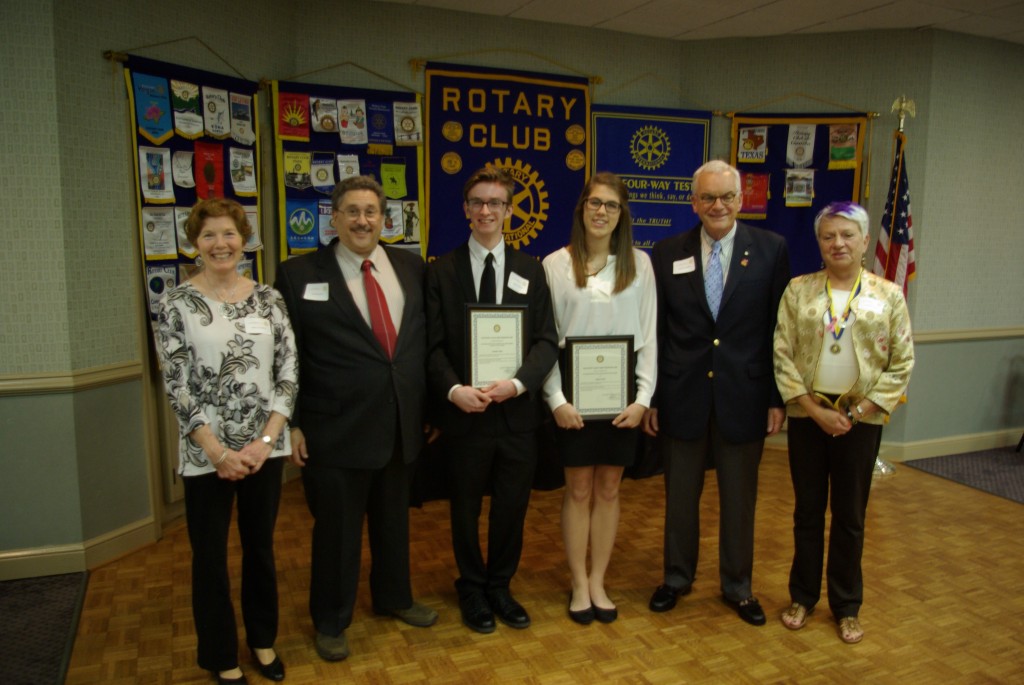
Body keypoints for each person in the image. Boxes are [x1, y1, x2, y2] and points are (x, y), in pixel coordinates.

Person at [275, 176, 437, 663]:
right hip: (334, 430)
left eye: (371, 211)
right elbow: (287, 356)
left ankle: (394, 597)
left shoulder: (410, 267)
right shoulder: (299, 274)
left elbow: (421, 346)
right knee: (337, 533)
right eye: (352, 211)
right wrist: (294, 422)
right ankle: (331, 619)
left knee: (393, 523)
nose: (362, 220)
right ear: (335, 218)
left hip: (399, 425)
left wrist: (428, 409)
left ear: (384, 218)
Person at [154, 197, 297, 684]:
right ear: (195, 244)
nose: (221, 244)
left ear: (245, 240)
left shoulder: (269, 299)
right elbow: (178, 384)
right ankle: (220, 655)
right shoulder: (175, 303)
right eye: (209, 235)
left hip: (265, 450)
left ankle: (261, 640)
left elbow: (288, 373)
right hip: (206, 455)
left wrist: (264, 440)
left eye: (229, 234)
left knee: (260, 549)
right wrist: (216, 451)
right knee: (210, 557)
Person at [643, 159, 790, 626]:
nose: (718, 205)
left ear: (740, 199)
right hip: (682, 395)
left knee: (739, 498)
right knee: (680, 496)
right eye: (708, 197)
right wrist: (652, 398)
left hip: (744, 397)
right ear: (694, 202)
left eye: (726, 196)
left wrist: (775, 397)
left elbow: (777, 330)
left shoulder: (771, 249)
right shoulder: (665, 252)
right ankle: (676, 577)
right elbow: (658, 330)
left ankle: (738, 586)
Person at [773, 201, 914, 644]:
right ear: (818, 242)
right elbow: (781, 353)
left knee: (850, 516)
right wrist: (815, 411)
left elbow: (901, 362)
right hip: (807, 417)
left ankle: (847, 605)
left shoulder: (888, 294)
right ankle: (802, 596)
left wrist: (855, 412)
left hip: (860, 422)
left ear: (864, 241)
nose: (838, 243)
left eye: (847, 235)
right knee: (807, 513)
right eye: (828, 236)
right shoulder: (798, 291)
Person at [426, 166, 559, 634]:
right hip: (466, 415)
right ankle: (471, 586)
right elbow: (432, 345)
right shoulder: (440, 270)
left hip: (517, 415)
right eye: (478, 202)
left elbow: (546, 341)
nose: (486, 210)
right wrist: (453, 390)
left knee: (511, 506)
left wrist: (518, 384)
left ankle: (500, 584)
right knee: (464, 507)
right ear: (465, 210)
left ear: (507, 211)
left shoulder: (531, 270)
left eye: (495, 203)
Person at [541, 172, 656, 625]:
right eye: (594, 203)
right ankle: (576, 581)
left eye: (610, 205)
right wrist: (555, 398)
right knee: (579, 487)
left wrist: (643, 397)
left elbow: (648, 336)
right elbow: (545, 338)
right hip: (572, 394)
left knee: (609, 488)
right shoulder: (554, 264)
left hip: (621, 396)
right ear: (581, 209)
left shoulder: (640, 265)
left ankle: (598, 580)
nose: (601, 212)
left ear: (622, 214)